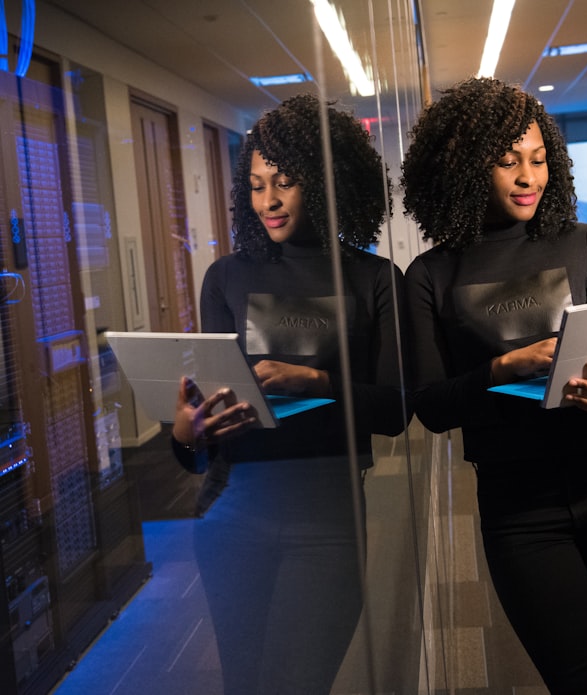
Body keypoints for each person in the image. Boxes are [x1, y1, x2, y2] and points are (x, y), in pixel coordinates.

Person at [401, 76, 587, 695]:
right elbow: (433, 408)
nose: (529, 176)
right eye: (507, 161)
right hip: (521, 512)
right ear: (466, 169)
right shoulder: (431, 275)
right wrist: (502, 369)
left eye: (539, 158)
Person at [170, 93, 407, 694]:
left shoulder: (374, 280)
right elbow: (204, 435)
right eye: (255, 185)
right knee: (243, 686)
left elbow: (397, 409)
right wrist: (185, 433)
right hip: (231, 511)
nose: (268, 201)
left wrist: (319, 383)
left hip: (327, 518)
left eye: (284, 183)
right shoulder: (227, 276)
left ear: (328, 182)